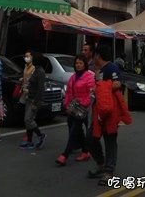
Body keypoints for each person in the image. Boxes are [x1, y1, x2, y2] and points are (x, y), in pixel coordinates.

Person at [87, 44, 132, 185]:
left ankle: (109, 171)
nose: (92, 58)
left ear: (97, 56)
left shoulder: (111, 67)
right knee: (90, 138)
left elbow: (117, 84)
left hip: (110, 110)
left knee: (110, 140)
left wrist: (101, 88)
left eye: (93, 55)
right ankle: (100, 163)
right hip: (98, 109)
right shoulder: (96, 69)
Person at [55, 54, 95, 166]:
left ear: (85, 64)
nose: (78, 65)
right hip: (73, 107)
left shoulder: (89, 77)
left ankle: (65, 155)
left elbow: (91, 93)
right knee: (76, 129)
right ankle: (85, 150)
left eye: (80, 63)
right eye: (77, 63)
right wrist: (66, 105)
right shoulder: (73, 77)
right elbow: (68, 92)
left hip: (82, 108)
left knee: (74, 129)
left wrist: (85, 104)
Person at [19, 51, 47, 150]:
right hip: (29, 97)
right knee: (27, 120)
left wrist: (36, 102)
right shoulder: (36, 70)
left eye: (33, 58)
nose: (31, 59)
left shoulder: (40, 72)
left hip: (34, 100)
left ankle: (40, 135)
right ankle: (29, 141)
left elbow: (40, 89)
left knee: (28, 119)